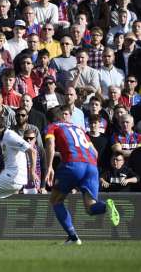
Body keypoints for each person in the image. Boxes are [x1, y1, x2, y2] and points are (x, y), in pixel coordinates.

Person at [44, 105, 120, 245]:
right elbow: (95, 153)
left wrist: (49, 167)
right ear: (63, 116)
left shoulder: (52, 126)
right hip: (91, 166)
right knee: (91, 208)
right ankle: (107, 206)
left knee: (56, 200)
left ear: (50, 119)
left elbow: (50, 144)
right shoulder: (79, 129)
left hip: (72, 164)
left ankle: (73, 237)